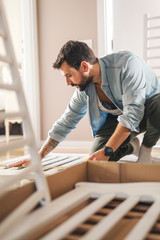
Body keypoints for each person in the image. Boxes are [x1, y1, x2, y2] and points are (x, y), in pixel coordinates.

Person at [10, 40, 160, 167]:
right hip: (120, 120)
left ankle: (145, 152)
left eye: (69, 75)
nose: (68, 82)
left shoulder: (127, 64)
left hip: (149, 110)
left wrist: (108, 150)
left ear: (84, 66)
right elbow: (66, 122)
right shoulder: (84, 90)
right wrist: (39, 156)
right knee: (97, 162)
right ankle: (130, 146)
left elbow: (132, 114)